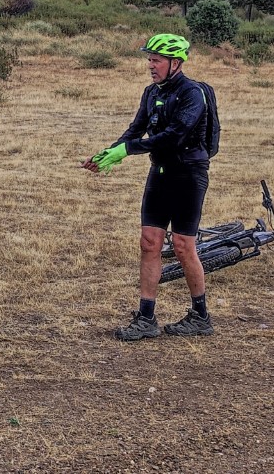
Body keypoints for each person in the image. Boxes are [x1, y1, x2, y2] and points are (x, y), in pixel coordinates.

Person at [85, 33, 215, 340]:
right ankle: (146, 318)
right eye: (149, 59)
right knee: (149, 242)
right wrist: (109, 153)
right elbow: (136, 130)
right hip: (159, 173)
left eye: (156, 60)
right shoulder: (150, 92)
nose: (150, 65)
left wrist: (127, 151)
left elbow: (174, 135)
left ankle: (201, 316)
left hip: (188, 174)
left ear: (175, 63)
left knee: (183, 246)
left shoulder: (192, 94)